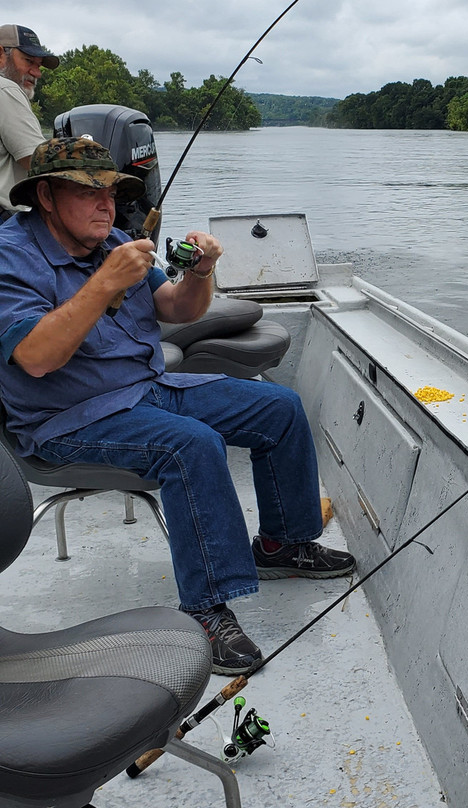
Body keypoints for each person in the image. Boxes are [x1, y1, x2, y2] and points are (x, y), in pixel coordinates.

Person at [0, 137, 355, 674]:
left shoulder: (111, 239)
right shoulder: (12, 257)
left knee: (279, 407)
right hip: (67, 418)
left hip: (145, 388)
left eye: (112, 193)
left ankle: (284, 545)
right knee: (192, 445)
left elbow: (177, 309)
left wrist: (201, 272)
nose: (106, 205)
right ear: (45, 196)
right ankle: (206, 611)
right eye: (87, 192)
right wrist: (103, 283)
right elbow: (36, 358)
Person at [0, 24, 57, 221]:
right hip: (6, 226)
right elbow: (39, 160)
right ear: (1, 54)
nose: (37, 72)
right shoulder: (5, 89)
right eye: (28, 61)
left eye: (39, 65)